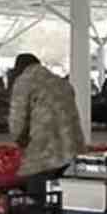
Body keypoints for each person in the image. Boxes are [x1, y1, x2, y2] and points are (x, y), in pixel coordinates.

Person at [8, 54, 85, 191]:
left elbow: (17, 121)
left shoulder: (24, 81)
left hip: (44, 151)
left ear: (20, 68)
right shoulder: (61, 82)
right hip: (73, 150)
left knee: (38, 199)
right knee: (65, 197)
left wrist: (19, 141)